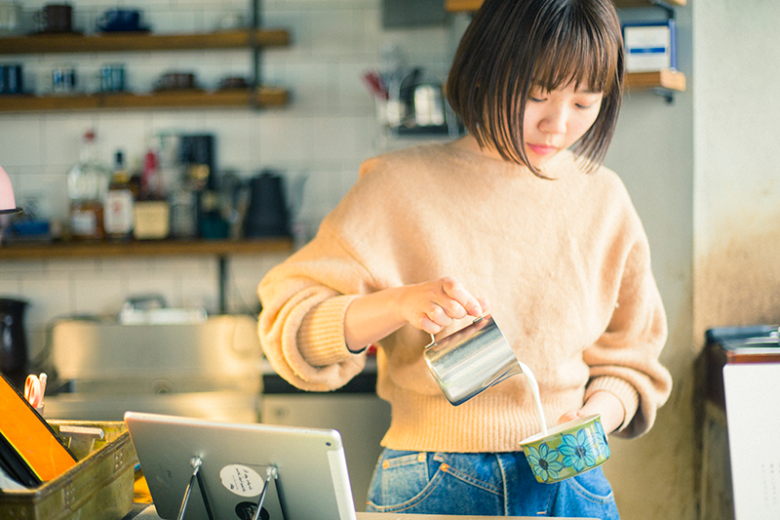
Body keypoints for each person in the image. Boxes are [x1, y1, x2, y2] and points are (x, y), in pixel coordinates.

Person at [257, 0, 673, 517]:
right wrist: (400, 305)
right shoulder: (396, 187)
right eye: (536, 95)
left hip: (571, 484)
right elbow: (289, 326)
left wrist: (594, 418)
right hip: (431, 480)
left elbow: (634, 357)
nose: (556, 125)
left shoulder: (603, 199)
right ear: (484, 72)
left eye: (585, 104)